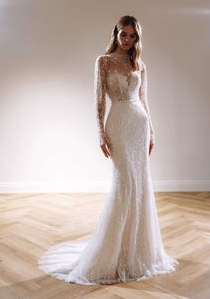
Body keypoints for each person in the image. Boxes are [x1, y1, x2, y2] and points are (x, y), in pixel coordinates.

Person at [37, 15, 179, 285]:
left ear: (137, 39)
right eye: (123, 34)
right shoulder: (103, 62)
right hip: (118, 125)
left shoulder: (140, 64)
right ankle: (110, 252)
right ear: (115, 33)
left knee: (139, 185)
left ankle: (137, 251)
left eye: (132, 36)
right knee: (124, 184)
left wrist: (152, 131)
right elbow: (98, 99)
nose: (127, 40)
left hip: (139, 125)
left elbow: (144, 99)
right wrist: (100, 132)